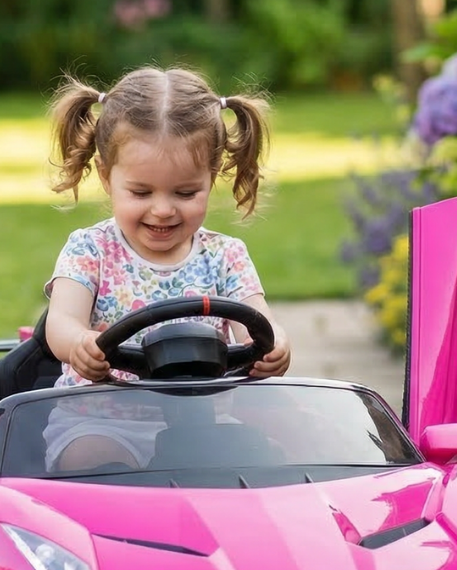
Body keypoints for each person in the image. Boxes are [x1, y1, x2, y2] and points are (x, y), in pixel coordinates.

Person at [41, 67, 291, 472]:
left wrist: (275, 345)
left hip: (206, 420)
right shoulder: (91, 249)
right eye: (141, 192)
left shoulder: (225, 255)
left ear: (211, 178)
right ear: (106, 177)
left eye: (186, 192)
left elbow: (259, 324)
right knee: (91, 460)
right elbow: (62, 322)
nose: (162, 209)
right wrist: (79, 344)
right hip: (100, 420)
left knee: (274, 460)